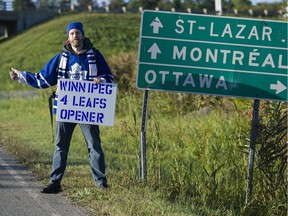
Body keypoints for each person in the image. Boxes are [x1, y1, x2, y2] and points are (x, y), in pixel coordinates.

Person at [10, 22, 113, 193]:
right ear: (68, 36)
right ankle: (55, 183)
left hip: (88, 109)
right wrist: (20, 75)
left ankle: (100, 182)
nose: (75, 36)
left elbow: (109, 76)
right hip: (67, 108)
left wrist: (101, 80)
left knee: (94, 145)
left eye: (78, 33)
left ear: (83, 35)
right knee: (60, 146)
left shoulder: (95, 55)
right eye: (72, 33)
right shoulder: (61, 57)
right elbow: (42, 79)